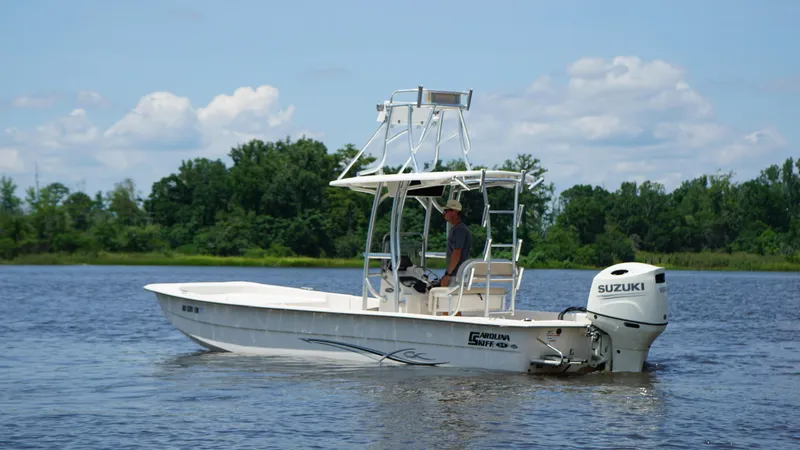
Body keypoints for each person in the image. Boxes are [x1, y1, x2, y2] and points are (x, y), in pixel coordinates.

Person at [440, 199, 472, 287]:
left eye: (446, 211)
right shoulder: (459, 229)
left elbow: (456, 254)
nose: (444, 213)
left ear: (454, 212)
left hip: (456, 276)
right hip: (459, 275)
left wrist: (447, 275)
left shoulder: (459, 230)